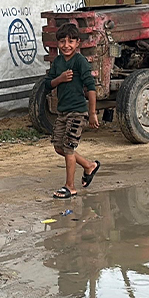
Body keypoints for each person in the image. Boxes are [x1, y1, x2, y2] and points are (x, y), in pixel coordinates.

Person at [46, 22, 101, 199]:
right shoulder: (58, 62)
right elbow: (48, 83)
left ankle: (70, 186)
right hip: (62, 111)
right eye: (62, 41)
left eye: (71, 41)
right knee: (59, 147)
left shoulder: (80, 61)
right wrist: (60, 79)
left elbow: (91, 87)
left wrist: (92, 113)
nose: (66, 45)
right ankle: (89, 165)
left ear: (78, 43)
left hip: (77, 111)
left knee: (68, 148)